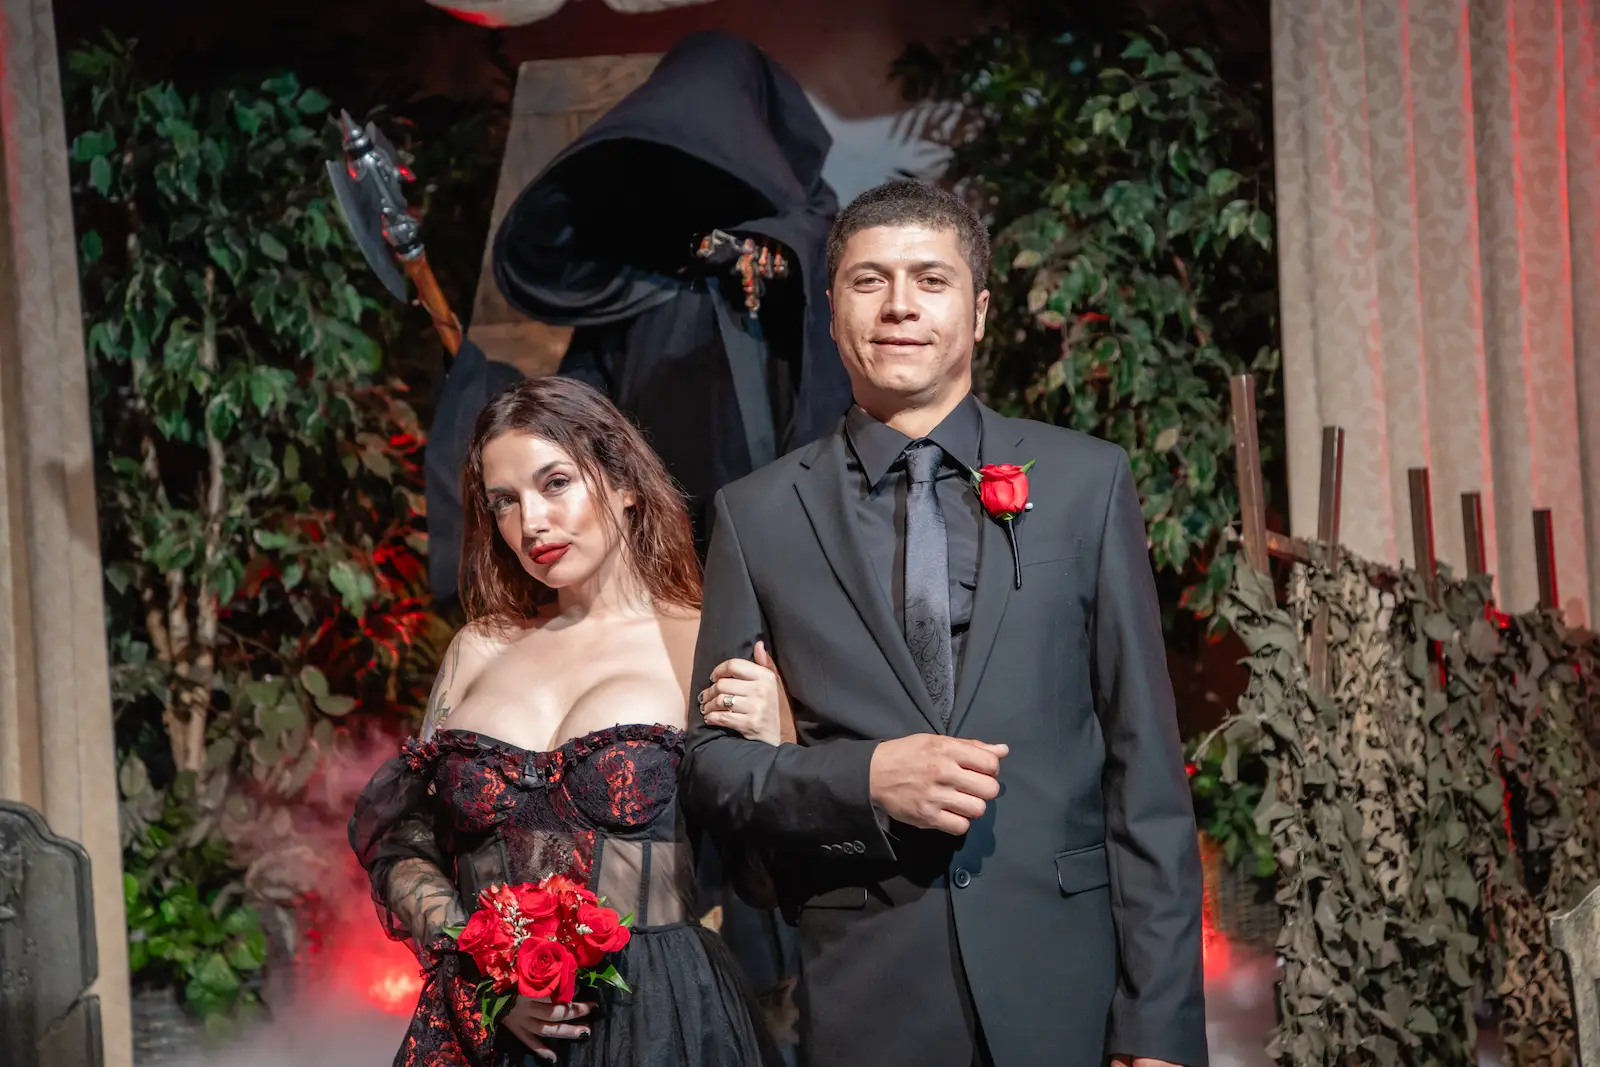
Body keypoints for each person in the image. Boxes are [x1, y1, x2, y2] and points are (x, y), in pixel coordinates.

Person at [679, 179, 1208, 1067]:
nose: (900, 305)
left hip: (1066, 986)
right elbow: (712, 768)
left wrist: (1158, 1028)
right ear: (832, 310)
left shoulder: (1085, 482)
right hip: (869, 989)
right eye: (869, 280)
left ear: (979, 311)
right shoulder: (756, 513)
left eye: (931, 279)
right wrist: (864, 778)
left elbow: (1145, 765)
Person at [350, 376, 782, 1067]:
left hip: (660, 1018)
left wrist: (775, 746)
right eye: (505, 501)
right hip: (497, 1027)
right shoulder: (477, 648)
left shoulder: (700, 641)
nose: (531, 523)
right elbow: (404, 843)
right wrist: (483, 975)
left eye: (555, 483)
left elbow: (766, 878)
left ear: (625, 482)